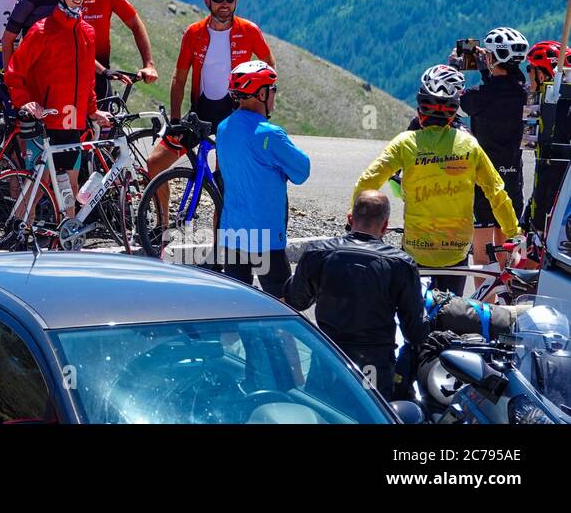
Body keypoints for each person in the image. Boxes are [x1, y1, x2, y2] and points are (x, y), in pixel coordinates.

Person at [353, 65, 520, 295]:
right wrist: (513, 232)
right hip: (456, 251)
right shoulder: (469, 144)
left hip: (416, 250)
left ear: (420, 111)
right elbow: (496, 192)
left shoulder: (405, 142)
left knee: (412, 316)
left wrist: (355, 217)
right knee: (452, 315)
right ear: (452, 114)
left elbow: (368, 181)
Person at [143, 0, 274, 216]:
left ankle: (218, 247)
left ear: (236, 0)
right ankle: (161, 227)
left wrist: (262, 108)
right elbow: (179, 77)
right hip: (199, 113)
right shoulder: (194, 32)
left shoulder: (249, 30)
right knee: (155, 165)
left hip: (234, 116)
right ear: (207, 1)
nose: (224, 4)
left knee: (224, 186)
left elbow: (269, 66)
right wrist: (174, 120)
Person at [284, 191, 429, 398]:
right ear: (385, 225)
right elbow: (415, 331)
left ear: (350, 219)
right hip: (375, 365)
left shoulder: (317, 253)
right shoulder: (401, 264)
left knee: (322, 414)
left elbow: (296, 300)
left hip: (328, 357)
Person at [4, 0, 113, 212]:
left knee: (71, 189)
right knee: (36, 188)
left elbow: (87, 80)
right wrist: (25, 102)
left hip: (72, 123)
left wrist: (93, 110)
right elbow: (13, 73)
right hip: (45, 123)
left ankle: (69, 243)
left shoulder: (86, 32)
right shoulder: (41, 31)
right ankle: (17, 235)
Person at [215, 60, 310, 296]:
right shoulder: (270, 134)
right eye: (273, 89)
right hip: (265, 235)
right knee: (281, 305)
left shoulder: (224, 127)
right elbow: (302, 171)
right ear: (261, 93)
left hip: (232, 231)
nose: (274, 95)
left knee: (237, 304)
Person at [450, 28, 528, 276]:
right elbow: (505, 87)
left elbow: (454, 103)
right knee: (506, 244)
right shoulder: (525, 95)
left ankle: (484, 306)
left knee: (482, 252)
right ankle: (506, 299)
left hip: (482, 177)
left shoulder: (478, 97)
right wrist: (488, 70)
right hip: (512, 174)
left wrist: (454, 67)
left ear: (492, 57)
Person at [66, 0, 158, 102]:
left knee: (105, 126)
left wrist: (149, 65)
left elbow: (137, 25)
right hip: (66, 74)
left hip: (100, 74)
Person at [526, 40, 571, 234]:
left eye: (530, 69)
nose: (528, 74)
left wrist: (533, 223)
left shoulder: (552, 112)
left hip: (549, 212)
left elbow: (547, 173)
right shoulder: (560, 105)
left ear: (542, 75)